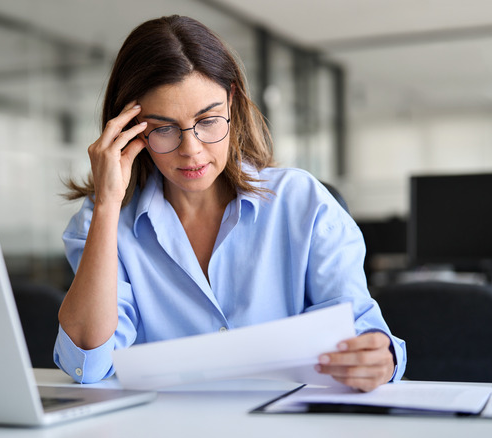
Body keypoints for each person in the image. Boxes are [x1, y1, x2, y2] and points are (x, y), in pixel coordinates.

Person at [55, 15, 406, 392]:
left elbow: (360, 328)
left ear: (232, 102)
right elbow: (89, 361)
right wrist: (108, 204)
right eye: (163, 128)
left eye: (207, 120)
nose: (191, 151)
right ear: (128, 130)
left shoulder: (302, 203)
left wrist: (379, 356)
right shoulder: (102, 221)